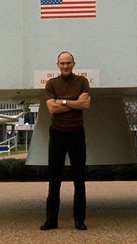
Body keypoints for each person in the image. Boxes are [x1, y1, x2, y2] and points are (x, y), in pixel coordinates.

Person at [40, 51, 91, 231]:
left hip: (77, 133)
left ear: (74, 64)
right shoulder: (51, 83)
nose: (65, 66)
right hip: (57, 133)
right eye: (62, 63)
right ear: (57, 64)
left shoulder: (82, 82)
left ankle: (79, 220)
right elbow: (52, 110)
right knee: (54, 179)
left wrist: (61, 102)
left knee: (79, 178)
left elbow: (85, 105)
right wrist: (72, 102)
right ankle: (51, 220)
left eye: (68, 63)